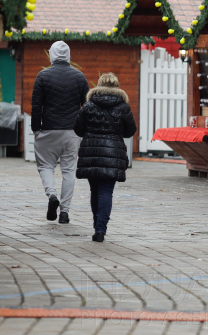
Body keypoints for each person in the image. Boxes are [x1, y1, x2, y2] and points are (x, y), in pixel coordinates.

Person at [73, 73, 137, 242]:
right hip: (112, 153)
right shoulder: (123, 107)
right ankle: (101, 229)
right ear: (116, 86)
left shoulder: (88, 106)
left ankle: (97, 226)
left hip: (91, 153)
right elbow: (131, 131)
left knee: (95, 190)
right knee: (106, 191)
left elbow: (78, 129)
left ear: (98, 85)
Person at [31, 41, 89, 224]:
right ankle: (64, 212)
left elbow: (36, 106)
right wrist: (83, 129)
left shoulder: (42, 76)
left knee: (45, 166)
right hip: (72, 131)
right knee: (69, 170)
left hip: (48, 129)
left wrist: (36, 129)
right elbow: (87, 106)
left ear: (53, 55)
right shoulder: (79, 77)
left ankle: (52, 195)